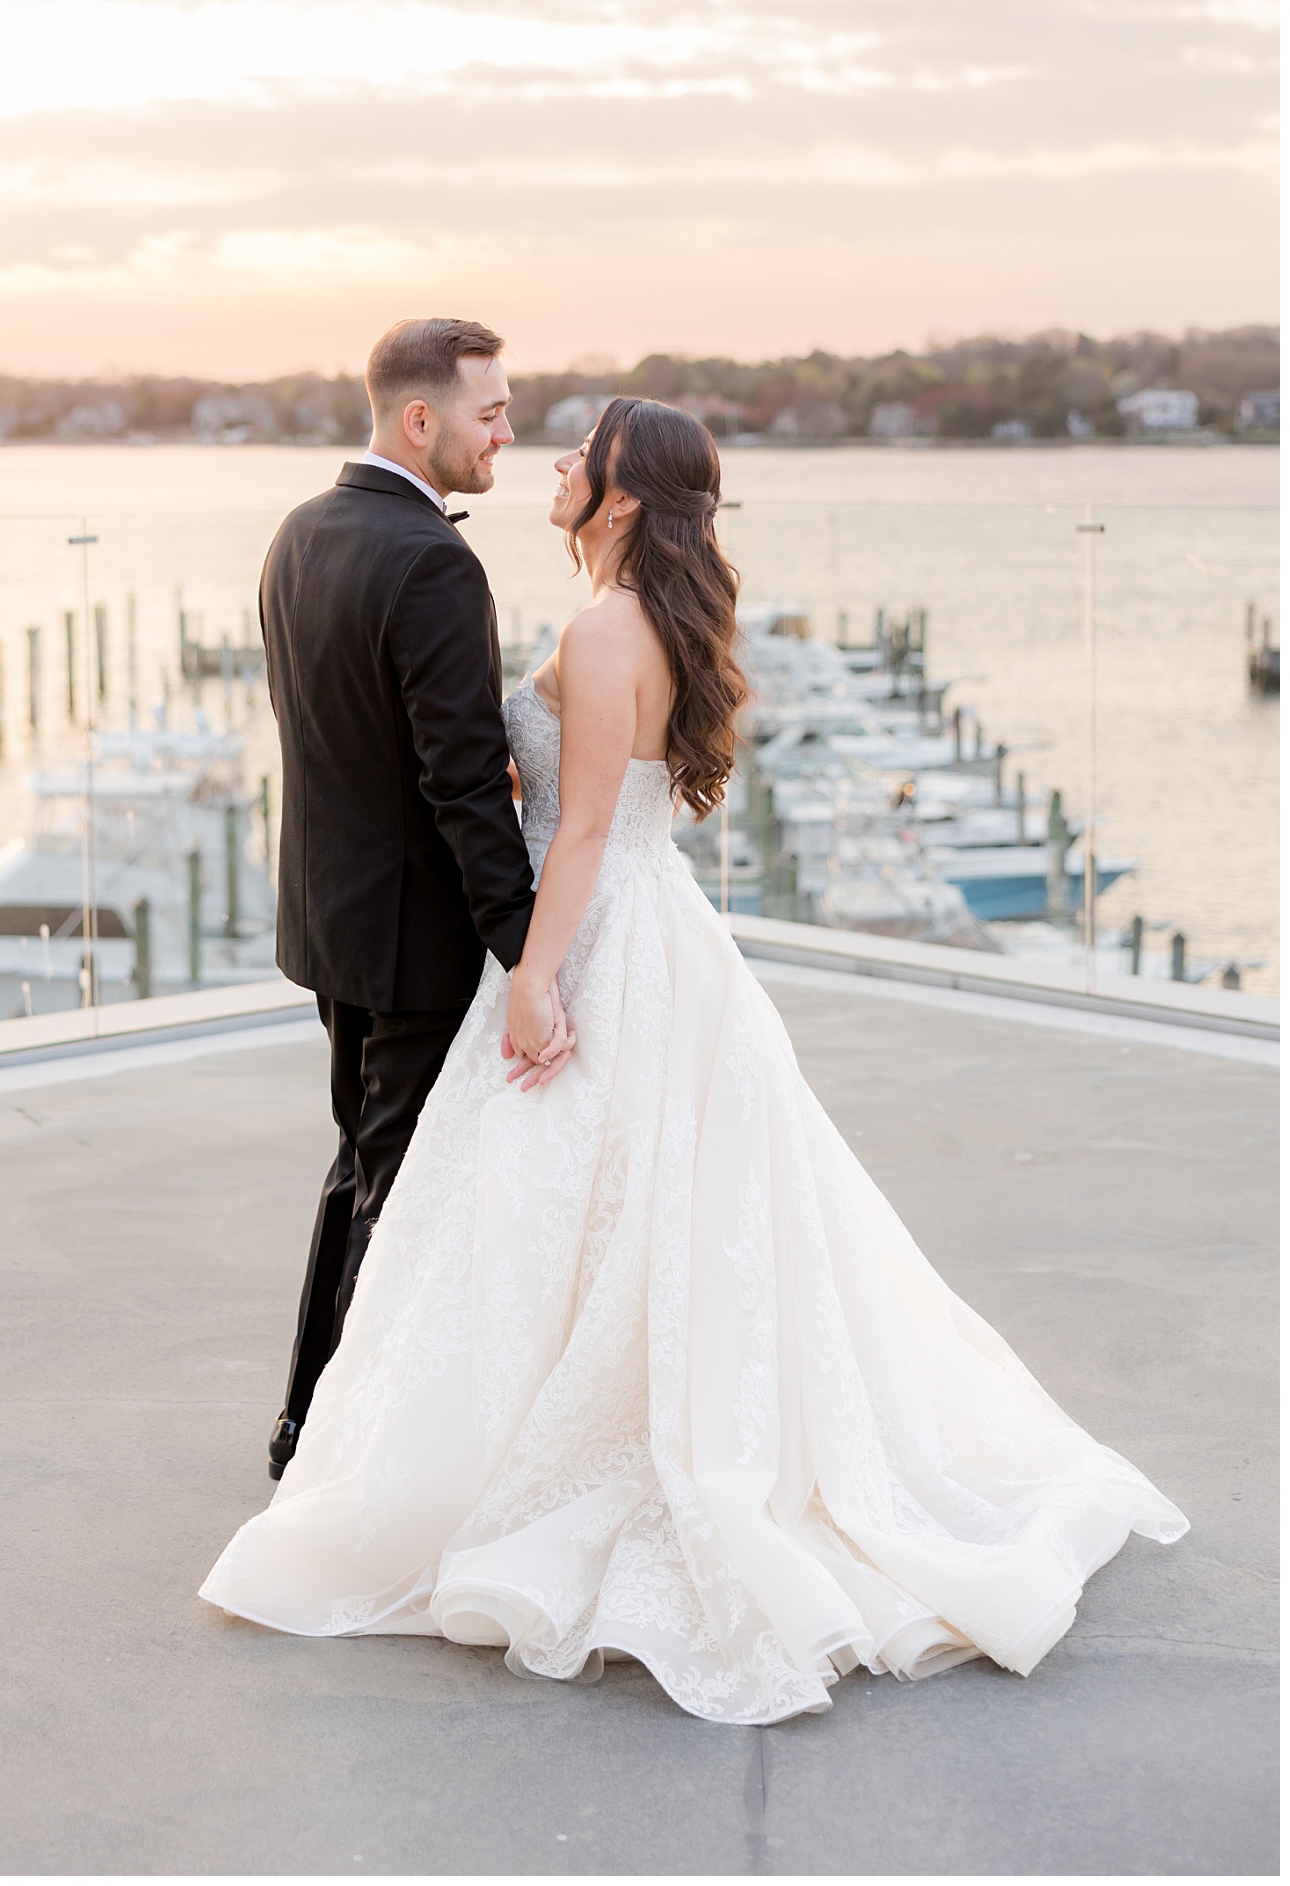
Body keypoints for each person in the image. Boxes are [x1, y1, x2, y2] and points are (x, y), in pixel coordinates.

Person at [205, 397, 1187, 1727]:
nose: (550, 465)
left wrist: (537, 979)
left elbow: (592, 828)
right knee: (624, 1215)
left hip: (605, 937)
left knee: (568, 1205)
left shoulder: (607, 629)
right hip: (661, 937)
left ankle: (524, 1465)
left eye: (575, 455)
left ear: (616, 496)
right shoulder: (662, 620)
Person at [255, 316, 568, 1484]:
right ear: (419, 417)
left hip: (329, 926)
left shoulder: (301, 532)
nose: (507, 432)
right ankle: (331, 1452)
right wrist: (525, 948)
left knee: (360, 1167)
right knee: (399, 1193)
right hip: (414, 947)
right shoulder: (432, 560)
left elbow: (325, 742)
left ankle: (303, 1425)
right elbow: (458, 784)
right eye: (490, 412)